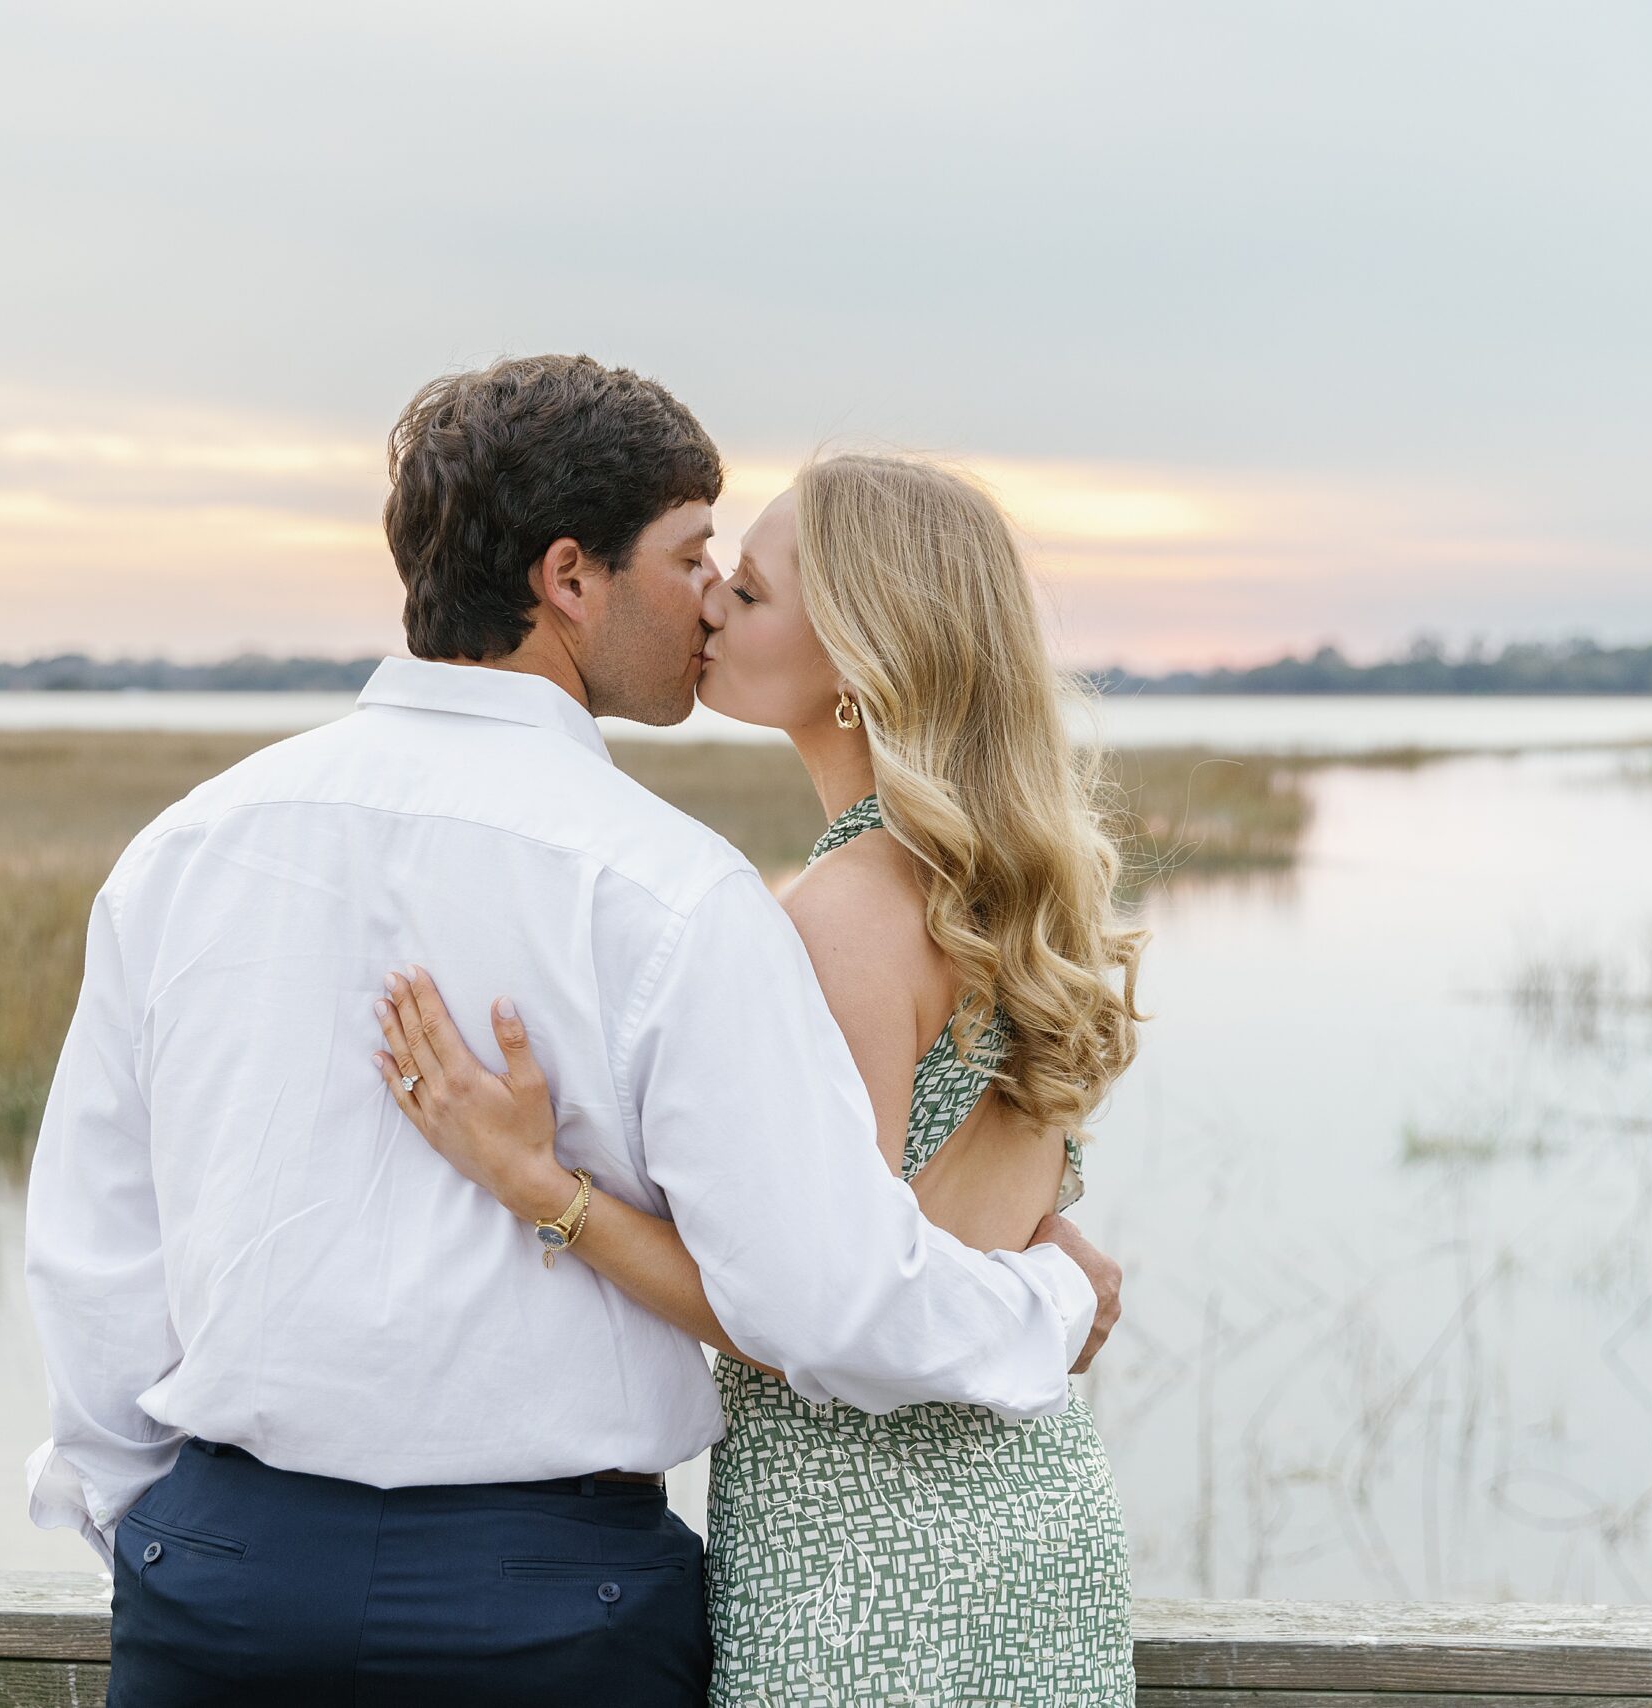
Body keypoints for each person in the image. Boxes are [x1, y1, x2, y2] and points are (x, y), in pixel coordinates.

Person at [21, 355, 1121, 1706]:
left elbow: (91, 1248)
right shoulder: (675, 889)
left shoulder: (185, 850)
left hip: (226, 1582)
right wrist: (1057, 1295)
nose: (708, 597)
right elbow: (821, 1297)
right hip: (550, 1607)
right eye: (691, 556)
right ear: (569, 581)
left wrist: (157, 1533)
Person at [374, 450, 1146, 1704]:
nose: (709, 608)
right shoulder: (997, 891)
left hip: (869, 1546)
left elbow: (811, 1315)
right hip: (1032, 1503)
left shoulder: (844, 913)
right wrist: (1054, 1284)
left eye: (750, 591)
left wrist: (541, 1186)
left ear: (856, 655)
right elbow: (986, 1223)